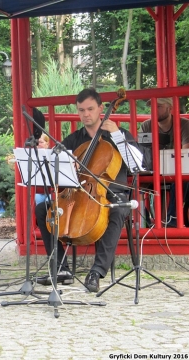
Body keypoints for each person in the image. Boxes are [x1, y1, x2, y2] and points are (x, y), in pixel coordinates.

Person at [35, 88, 143, 292]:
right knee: (44, 209)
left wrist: (118, 136)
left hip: (112, 194)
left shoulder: (119, 134)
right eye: (81, 110)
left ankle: (97, 271)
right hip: (78, 194)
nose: (86, 114)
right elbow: (56, 167)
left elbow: (136, 165)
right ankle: (61, 269)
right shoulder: (74, 139)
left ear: (101, 108)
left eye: (90, 109)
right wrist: (60, 162)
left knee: (117, 211)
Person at [139, 98, 189, 227]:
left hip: (176, 169)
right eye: (152, 107)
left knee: (181, 180)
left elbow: (186, 152)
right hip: (152, 168)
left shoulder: (184, 124)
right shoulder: (146, 125)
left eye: (159, 106)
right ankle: (142, 222)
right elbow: (140, 152)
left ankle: (172, 220)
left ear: (170, 108)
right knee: (131, 181)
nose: (154, 110)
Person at [34, 133, 50, 206]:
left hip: (51, 190)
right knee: (39, 204)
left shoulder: (53, 156)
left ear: (47, 143)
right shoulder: (32, 157)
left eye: (41, 142)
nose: (39, 144)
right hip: (40, 190)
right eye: (37, 142)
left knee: (49, 203)